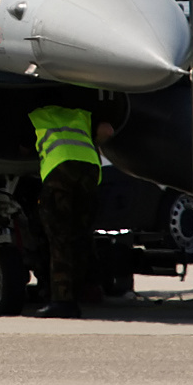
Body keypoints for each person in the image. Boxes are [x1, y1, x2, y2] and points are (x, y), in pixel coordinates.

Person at [28, 103, 113, 318]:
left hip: (60, 169)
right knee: (81, 234)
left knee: (59, 238)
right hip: (90, 169)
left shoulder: (37, 114)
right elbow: (107, 131)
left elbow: (21, 150)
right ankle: (88, 288)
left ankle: (62, 300)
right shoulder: (81, 113)